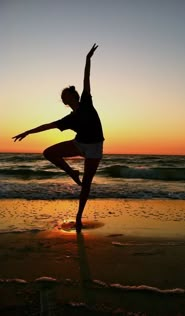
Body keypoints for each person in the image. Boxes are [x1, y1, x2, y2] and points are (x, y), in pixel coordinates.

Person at [12, 44, 104, 232]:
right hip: (79, 144)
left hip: (94, 147)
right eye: (61, 96)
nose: (62, 97)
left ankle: (78, 217)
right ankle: (72, 173)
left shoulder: (86, 100)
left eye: (64, 94)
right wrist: (27, 132)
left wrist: (88, 58)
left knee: (86, 185)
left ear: (72, 96)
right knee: (49, 152)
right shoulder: (68, 119)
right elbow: (48, 125)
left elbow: (86, 78)